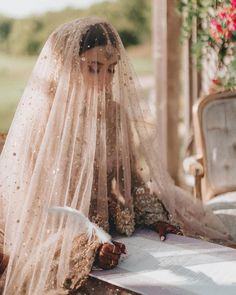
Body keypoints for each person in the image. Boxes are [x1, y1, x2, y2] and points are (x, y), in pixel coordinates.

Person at [0, 17, 232, 294]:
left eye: (111, 70)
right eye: (94, 69)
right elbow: (39, 211)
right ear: (65, 67)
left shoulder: (113, 114)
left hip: (112, 230)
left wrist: (152, 216)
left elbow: (130, 178)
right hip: (57, 236)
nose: (106, 81)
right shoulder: (44, 124)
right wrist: (86, 247)